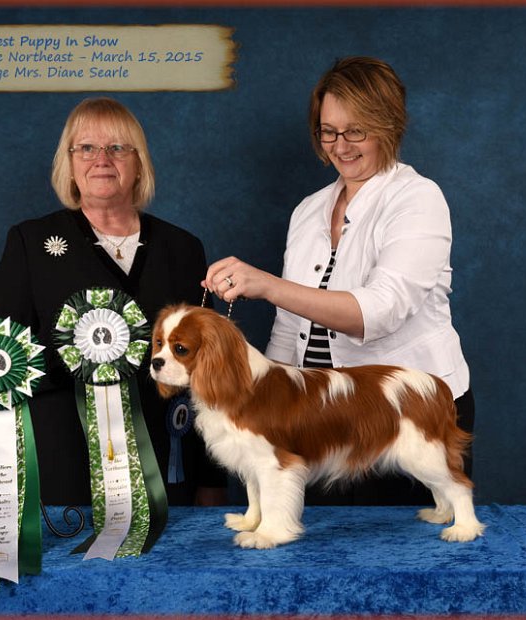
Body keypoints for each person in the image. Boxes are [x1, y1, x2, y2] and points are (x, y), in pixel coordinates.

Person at [204, 57, 474, 505]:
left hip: (402, 410)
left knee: (411, 557)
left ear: (389, 126)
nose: (340, 146)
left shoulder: (418, 199)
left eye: (356, 131)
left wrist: (267, 284)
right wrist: (265, 401)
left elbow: (379, 312)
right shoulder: (309, 210)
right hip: (320, 416)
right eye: (328, 131)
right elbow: (290, 329)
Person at [0, 97, 227, 507]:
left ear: (139, 162)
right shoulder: (30, 242)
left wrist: (211, 478)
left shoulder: (182, 248)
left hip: (164, 465)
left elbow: (209, 375)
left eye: (117, 148)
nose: (102, 159)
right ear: (70, 162)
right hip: (61, 467)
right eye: (87, 148)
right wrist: (79, 358)